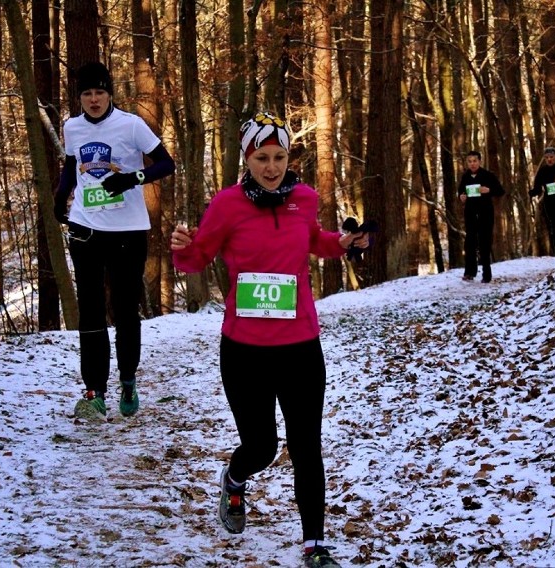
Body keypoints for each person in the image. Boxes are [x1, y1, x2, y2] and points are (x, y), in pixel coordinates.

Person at [169, 112, 369, 568]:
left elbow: (312, 240)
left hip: (300, 344)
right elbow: (198, 258)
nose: (273, 166)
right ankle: (235, 479)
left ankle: (315, 544)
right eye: (262, 158)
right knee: (260, 446)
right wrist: (182, 247)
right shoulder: (227, 205)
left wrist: (343, 242)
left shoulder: (305, 198)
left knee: (306, 445)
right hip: (244, 350)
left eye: (279, 156)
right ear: (247, 158)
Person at [53, 62, 175, 420]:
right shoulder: (72, 127)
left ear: (110, 94)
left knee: (124, 308)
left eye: (100, 93)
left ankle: (128, 378)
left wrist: (133, 178)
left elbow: (166, 164)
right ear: (79, 97)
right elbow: (71, 165)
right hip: (86, 228)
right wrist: (61, 198)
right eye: (87, 94)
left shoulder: (131, 125)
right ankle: (94, 391)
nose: (94, 100)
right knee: (90, 309)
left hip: (128, 231)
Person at [457, 150, 505, 283]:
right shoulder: (465, 176)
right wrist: (461, 196)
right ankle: (469, 272)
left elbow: (500, 191)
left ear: (480, 161)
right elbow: (460, 191)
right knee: (470, 242)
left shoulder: (488, 175)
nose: (472, 164)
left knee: (485, 242)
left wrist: (489, 190)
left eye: (475, 161)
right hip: (470, 213)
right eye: (469, 161)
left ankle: (486, 273)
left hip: (485, 212)